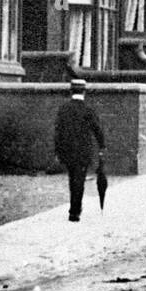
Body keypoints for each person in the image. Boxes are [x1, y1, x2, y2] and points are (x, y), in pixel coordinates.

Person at [54, 81, 105, 222]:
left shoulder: (64, 109)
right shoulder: (88, 109)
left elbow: (58, 132)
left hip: (67, 151)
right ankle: (75, 211)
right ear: (84, 92)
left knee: (72, 179)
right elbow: (97, 130)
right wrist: (102, 146)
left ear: (71, 91)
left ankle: (74, 208)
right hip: (83, 151)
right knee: (79, 180)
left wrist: (58, 152)